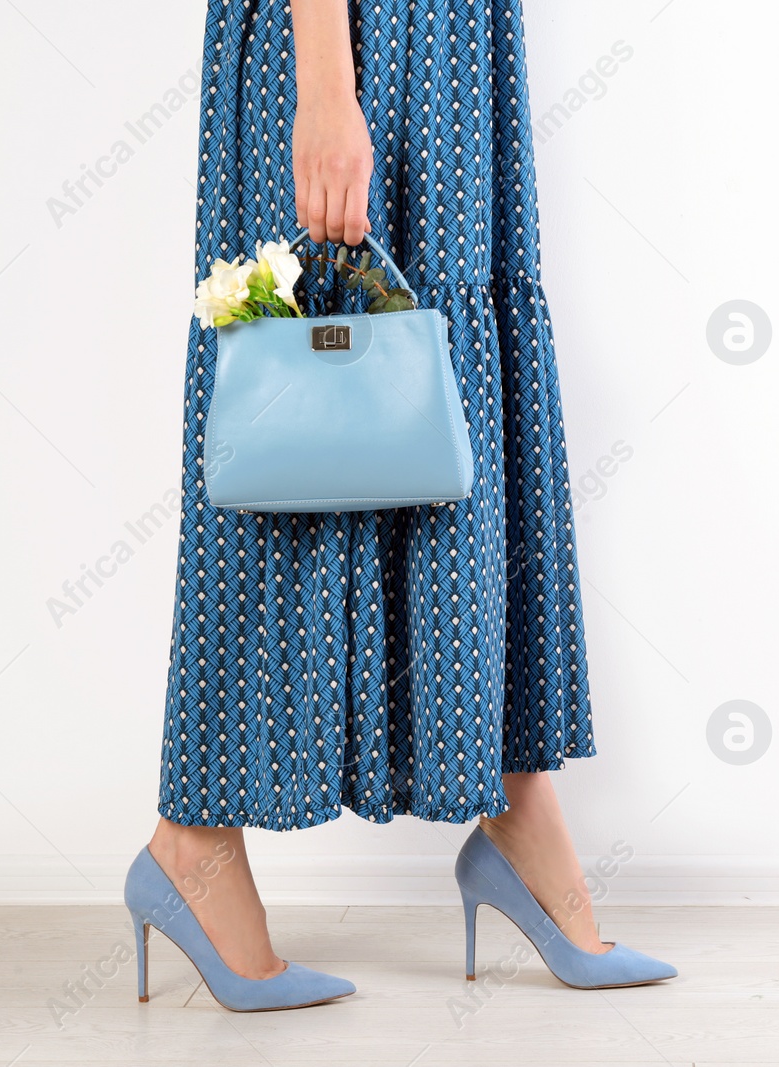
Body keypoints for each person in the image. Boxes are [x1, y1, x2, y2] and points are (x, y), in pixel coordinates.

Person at [123, 0, 676, 1010]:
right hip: (348, 37)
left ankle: (515, 801)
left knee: (449, 409)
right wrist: (326, 84)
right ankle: (192, 842)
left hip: (457, 49)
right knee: (290, 411)